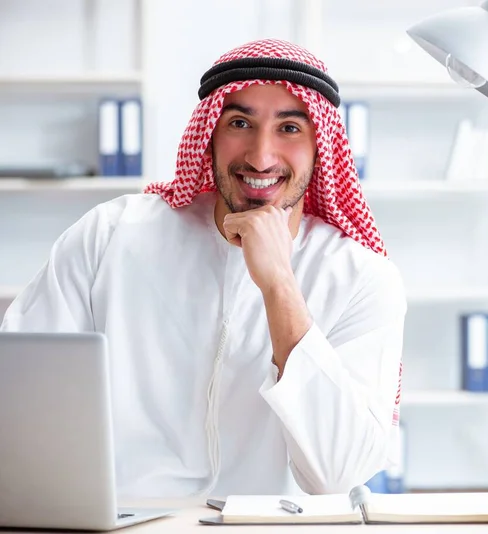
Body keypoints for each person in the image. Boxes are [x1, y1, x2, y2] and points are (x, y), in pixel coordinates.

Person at [1, 39, 407, 498]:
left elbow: (337, 472)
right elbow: (17, 398)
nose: (261, 156)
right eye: (240, 123)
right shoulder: (111, 235)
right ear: (210, 133)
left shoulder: (362, 279)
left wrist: (278, 285)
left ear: (321, 146)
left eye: (290, 128)